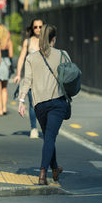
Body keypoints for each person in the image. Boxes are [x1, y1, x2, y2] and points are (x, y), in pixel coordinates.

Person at [17, 24, 69, 185]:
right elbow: (70, 77)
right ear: (54, 39)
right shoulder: (62, 55)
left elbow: (27, 81)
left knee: (48, 136)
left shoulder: (31, 58)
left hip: (39, 104)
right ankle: (42, 174)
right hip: (58, 102)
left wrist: (21, 101)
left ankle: (54, 168)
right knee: (50, 137)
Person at [13, 19, 43, 138]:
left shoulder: (47, 41)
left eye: (40, 27)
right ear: (32, 28)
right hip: (31, 78)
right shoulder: (28, 41)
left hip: (44, 78)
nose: (38, 29)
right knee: (33, 104)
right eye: (35, 27)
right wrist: (18, 74)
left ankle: (45, 127)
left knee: (44, 104)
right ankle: (34, 128)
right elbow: (21, 58)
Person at [0, 24, 13, 116]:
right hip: (6, 64)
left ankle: (0, 110)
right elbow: (11, 54)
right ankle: (5, 108)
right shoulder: (8, 40)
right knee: (4, 88)